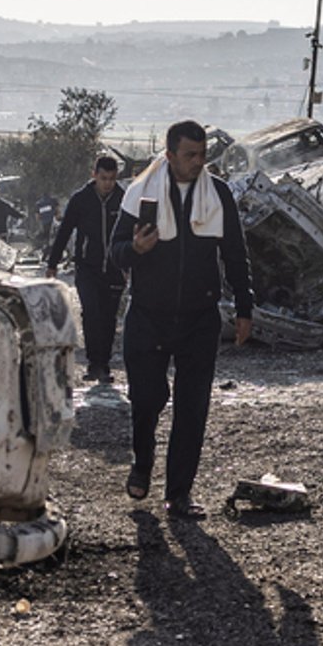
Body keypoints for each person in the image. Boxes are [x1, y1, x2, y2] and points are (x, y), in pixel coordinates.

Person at [110, 121, 254, 519]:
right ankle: (142, 461)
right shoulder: (141, 195)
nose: (198, 162)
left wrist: (245, 307)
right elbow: (115, 252)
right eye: (190, 155)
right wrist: (135, 248)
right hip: (147, 316)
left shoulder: (217, 194)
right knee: (147, 398)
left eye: (202, 154)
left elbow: (236, 255)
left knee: (193, 407)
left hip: (199, 318)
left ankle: (179, 494)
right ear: (170, 155)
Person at [45, 156, 126, 383]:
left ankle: (104, 364)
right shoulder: (81, 200)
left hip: (114, 268)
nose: (107, 183)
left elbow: (131, 233)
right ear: (94, 175)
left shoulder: (123, 199)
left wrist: (130, 264)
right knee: (91, 313)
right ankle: (93, 364)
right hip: (87, 268)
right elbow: (64, 231)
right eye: (103, 178)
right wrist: (52, 264)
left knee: (109, 316)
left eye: (111, 179)